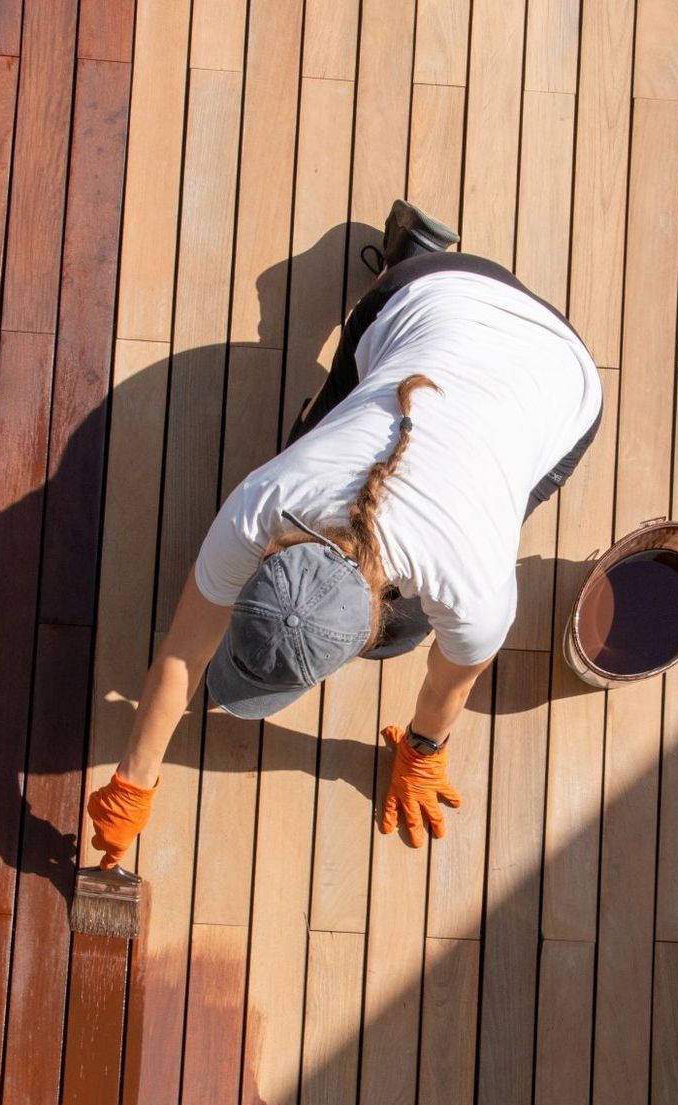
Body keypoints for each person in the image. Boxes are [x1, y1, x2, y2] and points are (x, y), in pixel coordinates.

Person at [84, 200, 603, 862]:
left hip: (560, 380)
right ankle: (412, 253)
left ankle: (415, 251)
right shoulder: (267, 498)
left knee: (406, 630)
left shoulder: (473, 590)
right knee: (326, 431)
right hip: (435, 299)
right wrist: (132, 784)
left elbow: (448, 689)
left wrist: (421, 754)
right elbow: (184, 657)